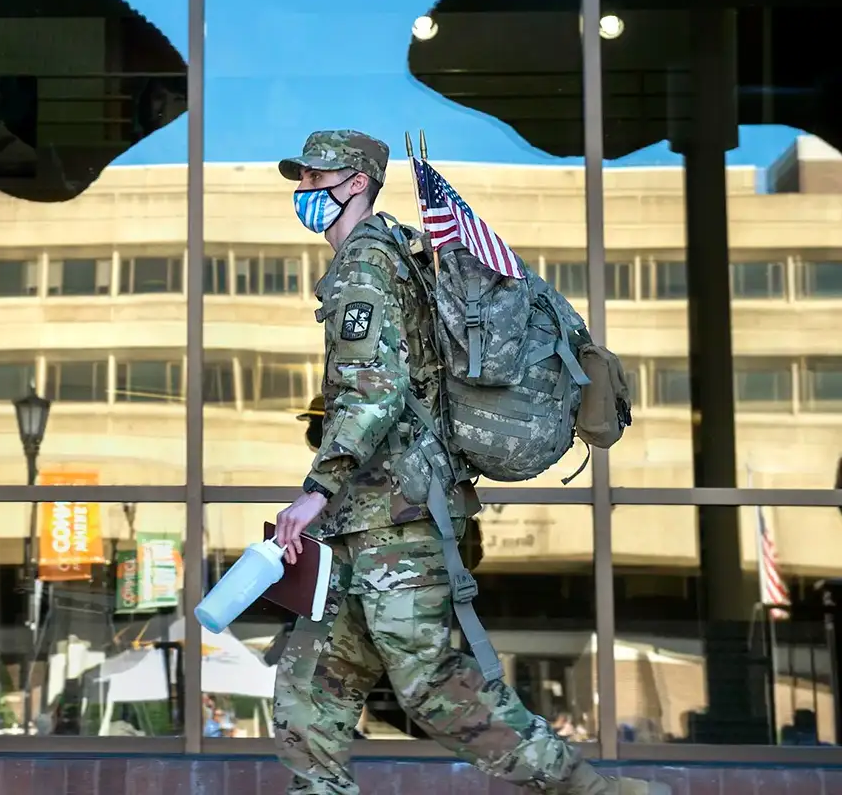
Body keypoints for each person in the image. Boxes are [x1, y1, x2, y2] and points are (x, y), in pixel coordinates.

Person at [270, 130, 667, 795]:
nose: (304, 191)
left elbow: (376, 389)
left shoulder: (366, 265)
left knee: (434, 689)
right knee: (308, 698)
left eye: (316, 179)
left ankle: (597, 793)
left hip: (396, 518)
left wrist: (315, 490)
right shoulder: (388, 257)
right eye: (302, 178)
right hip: (362, 521)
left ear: (357, 184)